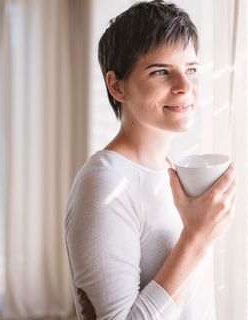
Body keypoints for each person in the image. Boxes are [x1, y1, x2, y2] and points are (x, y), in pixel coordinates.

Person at [64, 1, 237, 319]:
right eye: (161, 71)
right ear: (117, 86)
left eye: (191, 70)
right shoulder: (104, 185)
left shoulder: (172, 171)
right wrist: (196, 238)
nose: (185, 87)